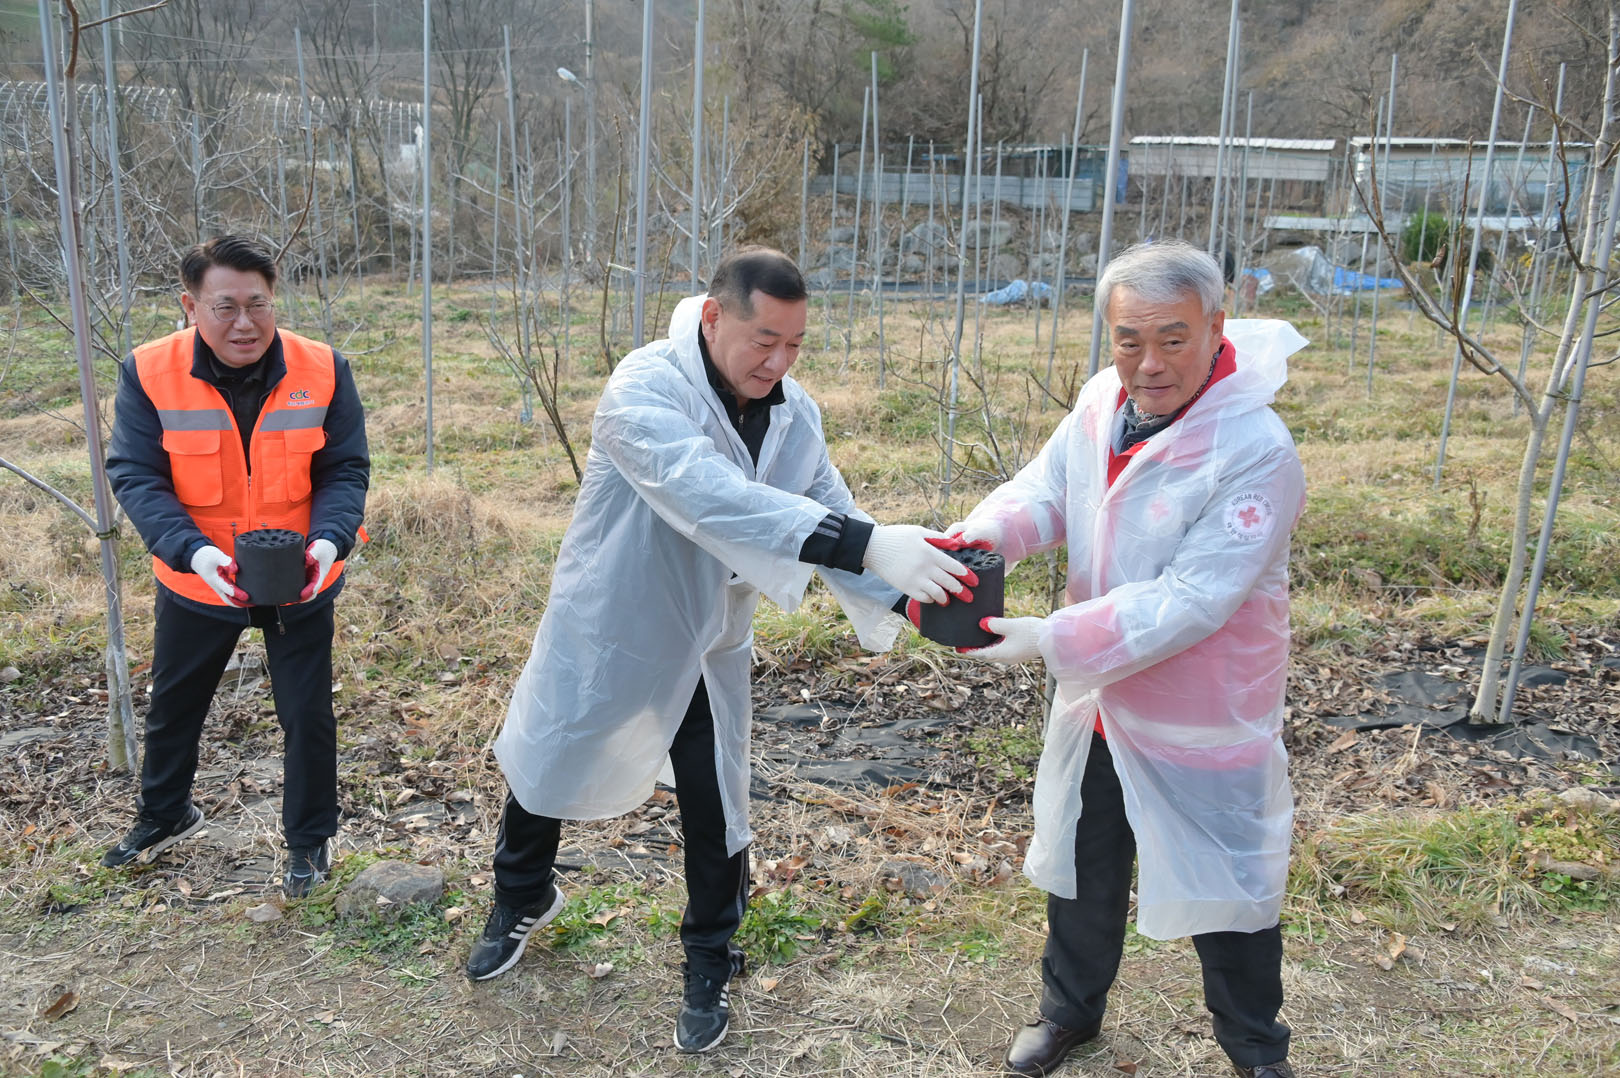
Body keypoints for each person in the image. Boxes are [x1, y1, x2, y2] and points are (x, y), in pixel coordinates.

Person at [468, 246, 975, 1053]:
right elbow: (708, 493)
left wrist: (925, 602)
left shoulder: (793, 412)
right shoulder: (644, 388)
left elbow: (832, 510)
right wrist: (865, 543)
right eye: (764, 340)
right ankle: (521, 895)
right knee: (554, 756)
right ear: (713, 318)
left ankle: (710, 955)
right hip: (615, 619)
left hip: (707, 638)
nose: (779, 362)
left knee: (715, 800)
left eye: (795, 344)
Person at [953, 241, 1307, 1078]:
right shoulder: (1100, 403)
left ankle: (1257, 1050)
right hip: (1102, 700)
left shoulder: (1255, 448)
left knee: (1230, 889)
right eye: (1129, 340)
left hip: (1201, 709)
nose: (1149, 363)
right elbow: (1049, 491)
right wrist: (985, 536)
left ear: (1216, 327)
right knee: (1085, 864)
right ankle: (1068, 1013)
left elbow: (1194, 598)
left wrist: (1052, 639)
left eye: (1173, 339)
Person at [102, 235, 369, 898]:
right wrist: (193, 553)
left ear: (274, 301)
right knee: (174, 705)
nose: (244, 323)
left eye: (258, 305)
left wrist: (329, 543)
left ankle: (309, 841)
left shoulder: (323, 368)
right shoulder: (149, 371)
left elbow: (344, 469)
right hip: (197, 576)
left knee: (307, 714)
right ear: (190, 305)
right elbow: (135, 473)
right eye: (225, 307)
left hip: (300, 575)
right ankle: (165, 814)